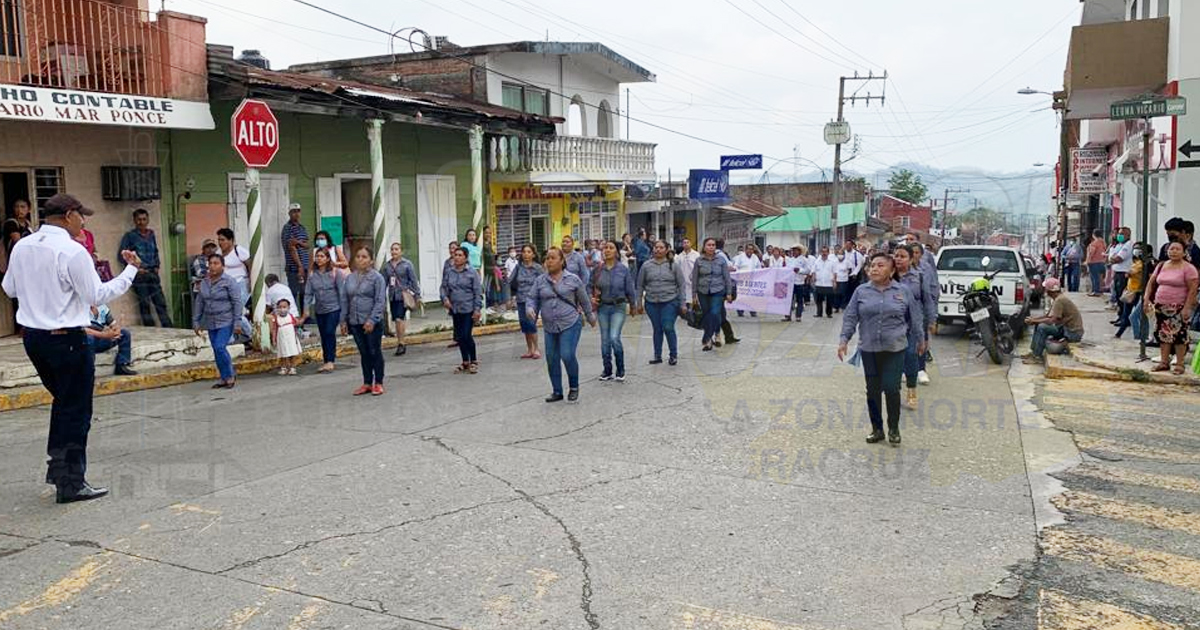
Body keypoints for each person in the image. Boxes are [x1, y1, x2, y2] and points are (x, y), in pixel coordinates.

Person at [1, 193, 142, 504]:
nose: (84, 221)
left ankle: (59, 470)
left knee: (64, 404)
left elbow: (9, 288)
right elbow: (98, 293)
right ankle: (70, 482)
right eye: (81, 215)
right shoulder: (72, 250)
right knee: (76, 411)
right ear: (67, 216)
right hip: (66, 339)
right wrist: (130, 270)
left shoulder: (23, 246)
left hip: (34, 339)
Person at [837, 252, 924, 445]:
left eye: (880, 265)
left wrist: (920, 339)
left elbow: (915, 317)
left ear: (892, 270)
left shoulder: (903, 291)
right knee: (873, 390)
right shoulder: (861, 291)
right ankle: (877, 429)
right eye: (872, 265)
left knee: (892, 388)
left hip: (895, 347)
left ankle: (893, 428)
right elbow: (851, 317)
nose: (874, 269)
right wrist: (844, 339)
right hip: (869, 348)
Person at [528, 247, 595, 403]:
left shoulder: (573, 279)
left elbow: (584, 300)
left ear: (561, 261)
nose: (549, 261)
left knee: (567, 354)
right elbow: (532, 298)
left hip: (570, 322)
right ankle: (557, 391)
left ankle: (573, 387)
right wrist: (530, 308)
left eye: (552, 258)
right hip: (550, 325)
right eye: (547, 258)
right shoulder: (540, 280)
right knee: (551, 358)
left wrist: (590, 316)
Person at [1143, 241, 1199, 374]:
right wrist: (1146, 299)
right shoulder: (1162, 266)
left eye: (1177, 249)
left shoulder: (1188, 268)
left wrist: (1187, 308)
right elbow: (1151, 283)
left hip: (1179, 306)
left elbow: (1193, 289)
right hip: (1160, 306)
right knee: (1163, 335)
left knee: (1179, 336)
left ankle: (1179, 364)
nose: (1173, 251)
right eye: (1171, 249)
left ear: (1184, 252)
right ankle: (1164, 362)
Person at [341, 247, 387, 395]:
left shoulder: (377, 278)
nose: (361, 259)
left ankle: (378, 382)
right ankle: (367, 382)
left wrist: (372, 320)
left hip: (372, 321)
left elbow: (380, 301)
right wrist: (343, 320)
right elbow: (345, 299)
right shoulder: (350, 278)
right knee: (364, 352)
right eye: (358, 256)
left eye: (364, 257)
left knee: (374, 351)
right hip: (355, 321)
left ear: (371, 260)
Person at [893, 245, 935, 410]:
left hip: (913, 325)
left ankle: (911, 392)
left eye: (902, 256)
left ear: (911, 259)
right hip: (892, 326)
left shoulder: (920, 277)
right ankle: (894, 393)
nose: (898, 259)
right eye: (896, 255)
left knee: (911, 355)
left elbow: (927, 300)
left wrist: (932, 320)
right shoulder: (888, 277)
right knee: (893, 360)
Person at [118, 208, 173, 328]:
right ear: (134, 221)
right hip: (140, 275)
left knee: (160, 303)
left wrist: (157, 265)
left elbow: (155, 251)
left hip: (153, 273)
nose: (141, 222)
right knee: (144, 304)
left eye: (144, 219)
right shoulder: (130, 236)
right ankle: (150, 329)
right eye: (139, 219)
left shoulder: (151, 234)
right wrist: (135, 269)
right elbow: (122, 256)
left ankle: (168, 328)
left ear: (148, 220)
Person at [193, 253, 240, 390]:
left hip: (226, 320)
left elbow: (237, 302)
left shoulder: (229, 281)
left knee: (220, 346)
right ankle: (224, 377)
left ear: (223, 266)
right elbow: (199, 302)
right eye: (210, 263)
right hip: (210, 321)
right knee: (216, 350)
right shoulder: (204, 282)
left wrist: (237, 321)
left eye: (216, 263)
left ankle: (230, 375)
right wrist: (196, 321)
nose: (212, 266)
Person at [592, 239, 638, 380]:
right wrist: (591, 298)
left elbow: (630, 288)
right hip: (603, 307)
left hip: (618, 306)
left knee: (614, 337)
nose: (607, 250)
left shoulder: (622, 269)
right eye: (605, 248)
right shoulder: (598, 269)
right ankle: (607, 370)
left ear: (617, 252)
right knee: (605, 340)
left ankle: (620, 368)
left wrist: (633, 305)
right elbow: (588, 285)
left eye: (611, 248)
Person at [638, 239, 686, 367]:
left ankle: (673, 355)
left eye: (661, 247)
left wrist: (682, 303)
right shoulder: (646, 265)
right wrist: (638, 303)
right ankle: (657, 355)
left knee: (668, 327)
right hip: (651, 302)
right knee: (657, 329)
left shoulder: (673, 265)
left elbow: (681, 284)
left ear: (666, 250)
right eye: (656, 247)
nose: (658, 250)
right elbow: (640, 285)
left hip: (670, 301)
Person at [1022, 278, 1085, 364]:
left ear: (1049, 291)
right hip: (1065, 329)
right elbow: (1048, 316)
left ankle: (1037, 356)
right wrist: (1034, 320)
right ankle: (1033, 351)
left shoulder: (1059, 300)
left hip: (1071, 333)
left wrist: (1035, 321)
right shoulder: (1058, 299)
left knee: (1042, 327)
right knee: (1039, 324)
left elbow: (1052, 320)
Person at [442, 247, 483, 374]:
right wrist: (444, 298)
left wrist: (477, 309)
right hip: (455, 308)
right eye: (455, 255)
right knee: (459, 337)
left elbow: (477, 292)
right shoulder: (450, 272)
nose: (457, 257)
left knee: (466, 335)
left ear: (465, 258)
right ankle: (465, 361)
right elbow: (443, 287)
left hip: (468, 308)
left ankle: (474, 360)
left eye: (460, 255)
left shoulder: (472, 273)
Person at [304, 248, 342, 373]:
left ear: (327, 258)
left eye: (321, 256)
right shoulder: (312, 275)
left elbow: (342, 292)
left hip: (334, 308)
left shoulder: (335, 273)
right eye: (317, 256)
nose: (319, 258)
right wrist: (306, 309)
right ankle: (326, 360)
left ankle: (331, 360)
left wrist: (344, 312)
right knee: (324, 335)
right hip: (320, 309)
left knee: (330, 332)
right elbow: (308, 293)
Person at [691, 237, 733, 352]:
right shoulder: (699, 261)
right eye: (708, 245)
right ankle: (709, 340)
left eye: (713, 245)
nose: (711, 247)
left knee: (715, 313)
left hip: (718, 290)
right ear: (704, 247)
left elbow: (727, 277)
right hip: (702, 291)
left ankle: (714, 335)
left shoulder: (721, 260)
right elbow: (694, 278)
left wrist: (729, 293)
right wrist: (693, 294)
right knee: (706, 314)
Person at [382, 242, 420, 356]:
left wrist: (417, 294)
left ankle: (401, 343)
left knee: (399, 318)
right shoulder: (387, 266)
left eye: (396, 249)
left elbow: (413, 279)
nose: (394, 251)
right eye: (392, 249)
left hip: (403, 295)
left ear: (401, 251)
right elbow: (384, 282)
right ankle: (400, 340)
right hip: (393, 295)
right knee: (397, 319)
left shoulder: (407, 264)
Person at [216, 228, 253, 344]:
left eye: (223, 240)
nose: (220, 242)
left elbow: (250, 265)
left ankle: (250, 334)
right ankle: (238, 336)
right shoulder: (218, 254)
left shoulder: (239, 251)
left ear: (231, 240)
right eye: (219, 240)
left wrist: (251, 282)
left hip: (240, 284)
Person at [509, 243, 545, 359]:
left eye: (529, 252)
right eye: (524, 252)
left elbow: (544, 282)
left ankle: (536, 349)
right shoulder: (518, 267)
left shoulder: (538, 268)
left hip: (533, 299)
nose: (526, 254)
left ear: (533, 254)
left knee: (531, 323)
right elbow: (510, 281)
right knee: (524, 324)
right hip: (520, 298)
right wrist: (510, 297)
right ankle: (529, 349)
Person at [1115, 242, 1153, 341]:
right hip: (1131, 290)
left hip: (1139, 292)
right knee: (1129, 314)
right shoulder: (1137, 262)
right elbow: (1128, 276)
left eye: (1139, 249)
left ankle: (1140, 337)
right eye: (1135, 249)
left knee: (1134, 315)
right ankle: (1123, 334)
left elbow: (1130, 274)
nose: (1136, 251)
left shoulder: (1146, 264)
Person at [85, 304, 136, 376]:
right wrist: (104, 335)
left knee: (124, 333)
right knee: (88, 338)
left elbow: (113, 324)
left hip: (100, 341)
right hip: (84, 343)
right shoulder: (80, 308)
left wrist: (116, 331)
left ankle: (122, 364)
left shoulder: (103, 308)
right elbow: (82, 330)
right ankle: (89, 369)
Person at [281, 202, 309, 312]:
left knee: (304, 292)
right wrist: (299, 266)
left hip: (305, 266)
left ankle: (304, 315)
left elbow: (307, 245)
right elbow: (291, 247)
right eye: (293, 212)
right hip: (294, 267)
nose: (296, 214)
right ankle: (293, 316)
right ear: (289, 213)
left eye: (298, 211)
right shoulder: (288, 228)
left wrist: (298, 242)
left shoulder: (302, 228)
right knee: (293, 292)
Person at [270, 298, 301, 375]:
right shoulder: (276, 318)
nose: (282, 309)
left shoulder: (291, 316)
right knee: (283, 353)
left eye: (284, 307)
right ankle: (283, 368)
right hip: (281, 338)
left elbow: (297, 324)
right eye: (280, 307)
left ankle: (292, 368)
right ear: (277, 308)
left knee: (292, 352)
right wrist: (273, 339)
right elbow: (274, 329)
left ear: (288, 308)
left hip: (291, 338)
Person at [783, 245, 810, 322]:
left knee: (799, 300)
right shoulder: (789, 260)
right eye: (793, 250)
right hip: (790, 283)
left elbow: (808, 270)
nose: (794, 252)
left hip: (799, 283)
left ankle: (798, 316)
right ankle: (787, 316)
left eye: (795, 250)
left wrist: (799, 270)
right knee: (788, 300)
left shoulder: (804, 260)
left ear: (799, 251)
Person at [812, 246, 839, 318]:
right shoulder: (817, 262)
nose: (824, 253)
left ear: (828, 253)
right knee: (818, 300)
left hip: (829, 284)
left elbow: (835, 273)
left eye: (825, 252)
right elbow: (814, 272)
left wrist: (835, 282)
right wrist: (813, 280)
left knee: (829, 300)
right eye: (822, 252)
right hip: (819, 283)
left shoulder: (832, 262)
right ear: (820, 253)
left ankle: (829, 313)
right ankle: (819, 313)